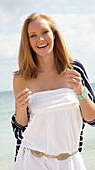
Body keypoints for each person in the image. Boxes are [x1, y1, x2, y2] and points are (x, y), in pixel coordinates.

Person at [12, 13, 95, 170]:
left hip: (70, 160)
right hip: (32, 160)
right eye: (33, 35)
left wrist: (80, 91)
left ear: (54, 34)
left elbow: (93, 119)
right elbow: (20, 129)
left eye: (45, 32)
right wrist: (21, 108)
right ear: (28, 41)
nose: (40, 39)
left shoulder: (74, 69)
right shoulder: (22, 77)